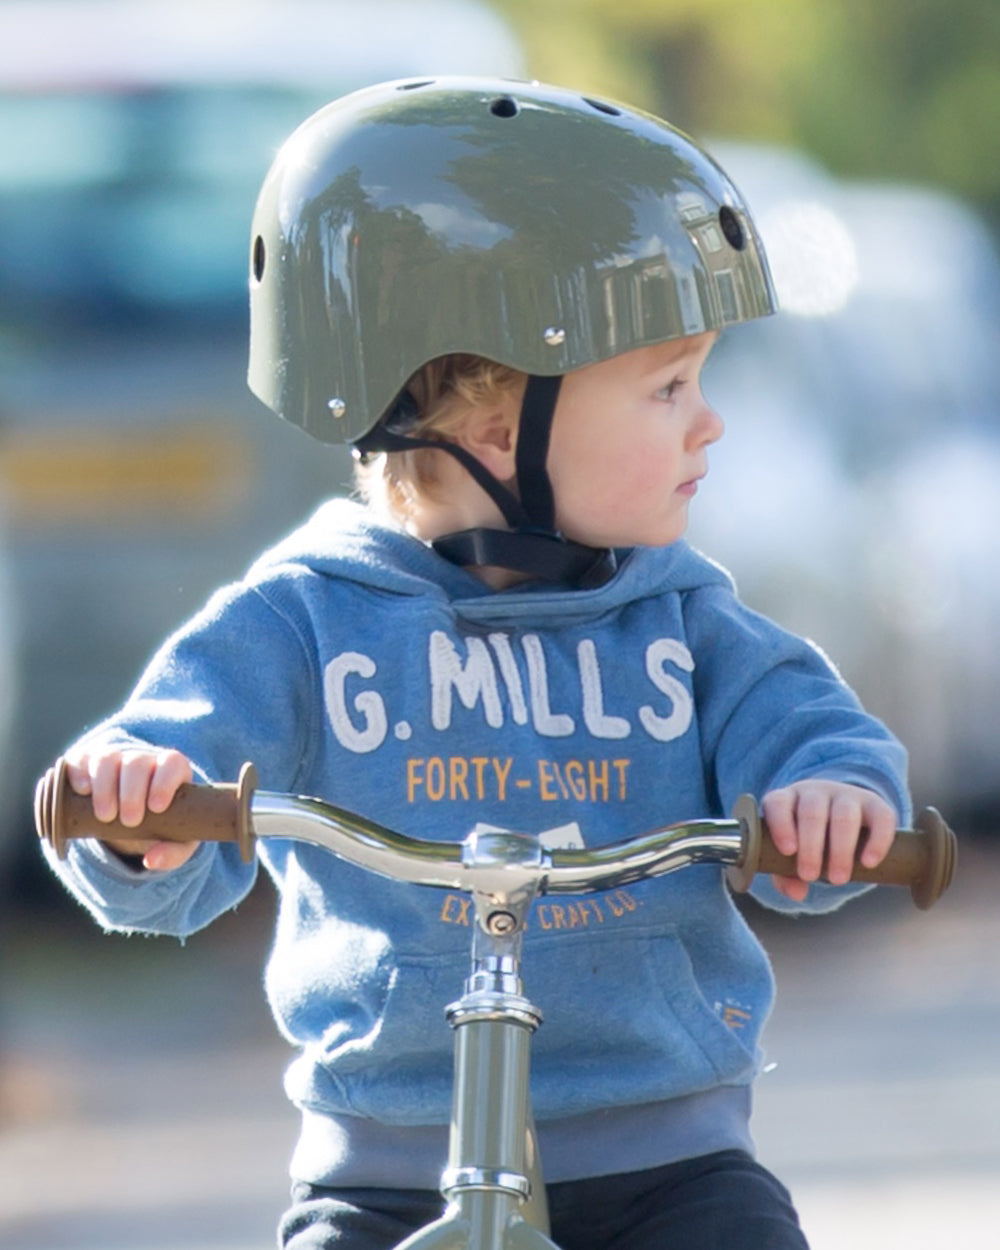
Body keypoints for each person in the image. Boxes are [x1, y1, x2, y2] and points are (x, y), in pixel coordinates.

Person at [41, 79, 908, 1249]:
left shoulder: (683, 620)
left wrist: (831, 801)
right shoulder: (300, 621)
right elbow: (169, 782)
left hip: (664, 1156)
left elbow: (811, 733)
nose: (707, 422)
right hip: (391, 1161)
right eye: (665, 386)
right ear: (496, 426)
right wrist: (139, 805)